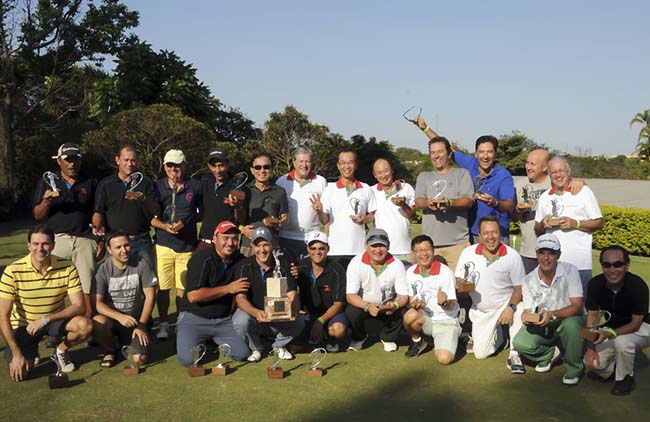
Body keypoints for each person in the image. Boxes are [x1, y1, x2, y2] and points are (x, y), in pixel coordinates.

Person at [0, 225, 92, 381]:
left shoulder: (67, 267)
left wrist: (45, 319)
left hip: (52, 322)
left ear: (53, 245)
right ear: (28, 245)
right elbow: (3, 316)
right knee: (21, 374)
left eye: (45, 243)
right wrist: (16, 354)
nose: (40, 248)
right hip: (24, 327)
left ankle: (61, 351)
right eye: (35, 244)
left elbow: (79, 306)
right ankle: (29, 352)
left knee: (85, 325)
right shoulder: (13, 271)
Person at [414, 117, 515, 244]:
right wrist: (425, 128)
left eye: (489, 152)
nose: (485, 156)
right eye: (481, 152)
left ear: (495, 154)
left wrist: (495, 203)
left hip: (496, 235)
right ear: (476, 154)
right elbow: (445, 149)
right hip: (473, 233)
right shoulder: (470, 164)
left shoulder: (503, 175)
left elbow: (510, 206)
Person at [33, 143, 101, 318]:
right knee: (54, 284)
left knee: (87, 284)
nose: (72, 164)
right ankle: (54, 326)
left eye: (76, 159)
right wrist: (46, 202)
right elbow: (38, 215)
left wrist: (100, 238)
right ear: (59, 161)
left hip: (84, 239)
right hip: (56, 239)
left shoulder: (90, 181)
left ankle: (88, 324)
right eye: (68, 160)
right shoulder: (48, 180)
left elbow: (97, 211)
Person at [176, 221, 251, 366]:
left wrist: (290, 269)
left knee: (242, 355)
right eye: (225, 238)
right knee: (188, 361)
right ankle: (185, 335)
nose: (230, 243)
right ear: (215, 238)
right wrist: (228, 288)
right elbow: (193, 296)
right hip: (195, 317)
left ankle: (210, 340)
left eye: (235, 238)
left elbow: (258, 267)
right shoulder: (201, 258)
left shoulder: (240, 259)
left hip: (223, 321)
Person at [512, 234, 585, 385]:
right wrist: (526, 317)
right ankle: (551, 353)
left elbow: (577, 306)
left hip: (568, 320)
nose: (546, 258)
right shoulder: (528, 280)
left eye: (551, 253)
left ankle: (573, 368)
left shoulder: (571, 271)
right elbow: (527, 310)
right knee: (519, 342)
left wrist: (552, 314)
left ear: (559, 254)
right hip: (544, 324)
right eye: (542, 252)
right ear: (536, 253)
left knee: (571, 325)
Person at [455, 215, 525, 363]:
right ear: (479, 236)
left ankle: (514, 352)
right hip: (482, 311)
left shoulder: (512, 256)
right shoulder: (468, 253)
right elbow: (459, 278)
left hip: (506, 306)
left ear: (500, 233)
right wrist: (462, 285)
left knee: (521, 308)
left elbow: (520, 288)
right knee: (480, 354)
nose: (491, 237)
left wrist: (511, 308)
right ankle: (502, 337)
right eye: (486, 233)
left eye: (494, 232)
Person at [584, 246, 650, 395]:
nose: (612, 270)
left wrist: (609, 333)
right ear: (602, 266)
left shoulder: (638, 286)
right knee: (592, 363)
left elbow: (635, 324)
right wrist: (589, 348)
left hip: (642, 327)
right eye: (607, 265)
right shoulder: (595, 284)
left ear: (627, 265)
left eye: (618, 264)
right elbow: (592, 317)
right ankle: (613, 370)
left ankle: (625, 379)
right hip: (611, 328)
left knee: (623, 342)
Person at [232, 227, 304, 362]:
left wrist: (293, 306)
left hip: (279, 316)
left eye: (265, 244)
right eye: (257, 245)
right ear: (252, 247)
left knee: (299, 320)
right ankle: (256, 348)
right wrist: (255, 312)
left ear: (272, 244)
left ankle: (279, 346)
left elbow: (292, 292)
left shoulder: (283, 264)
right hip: (255, 316)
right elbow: (240, 298)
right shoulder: (244, 266)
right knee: (240, 320)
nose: (262, 250)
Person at [151, 149, 201, 340]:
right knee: (163, 288)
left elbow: (201, 212)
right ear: (164, 166)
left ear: (185, 165)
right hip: (164, 244)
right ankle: (164, 323)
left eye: (178, 165)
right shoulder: (157, 187)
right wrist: (164, 226)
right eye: (170, 165)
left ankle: (181, 322)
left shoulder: (194, 186)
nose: (174, 169)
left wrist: (186, 222)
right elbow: (151, 218)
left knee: (182, 289)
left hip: (186, 245)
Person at [534, 156, 603, 291]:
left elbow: (599, 222)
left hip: (579, 264)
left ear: (568, 172)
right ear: (549, 175)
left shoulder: (583, 192)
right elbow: (537, 231)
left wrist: (575, 223)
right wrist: (543, 223)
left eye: (561, 171)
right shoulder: (545, 197)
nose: (558, 175)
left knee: (579, 308)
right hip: (552, 265)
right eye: (554, 172)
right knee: (553, 308)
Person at [92, 232, 158, 368]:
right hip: (113, 319)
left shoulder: (142, 264)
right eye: (118, 247)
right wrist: (120, 317)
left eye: (126, 245)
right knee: (98, 321)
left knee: (138, 359)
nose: (124, 250)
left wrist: (141, 325)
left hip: (136, 320)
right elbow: (97, 303)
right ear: (109, 249)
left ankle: (128, 344)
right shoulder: (102, 269)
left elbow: (150, 297)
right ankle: (110, 350)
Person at [515, 150, 585, 273]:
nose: (528, 167)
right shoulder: (519, 185)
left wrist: (580, 181)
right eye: (527, 163)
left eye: (533, 164)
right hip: (528, 251)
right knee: (529, 290)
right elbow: (513, 217)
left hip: (553, 251)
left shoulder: (555, 181)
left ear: (544, 167)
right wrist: (517, 211)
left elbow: (575, 185)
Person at [93, 144, 159, 270]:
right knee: (115, 282)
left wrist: (143, 200)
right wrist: (97, 226)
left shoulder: (146, 183)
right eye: (126, 160)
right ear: (117, 160)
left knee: (146, 283)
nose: (130, 164)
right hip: (115, 242)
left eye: (133, 160)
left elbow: (156, 210)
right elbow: (98, 212)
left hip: (141, 241)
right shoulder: (106, 184)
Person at [414, 136, 474, 271]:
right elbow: (418, 201)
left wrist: (450, 203)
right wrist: (427, 203)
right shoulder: (424, 176)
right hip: (430, 246)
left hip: (457, 244)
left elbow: (468, 201)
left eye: (440, 151)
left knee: (460, 288)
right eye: (433, 152)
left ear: (449, 154)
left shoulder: (462, 174)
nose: (436, 156)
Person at [345, 228, 409, 352]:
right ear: (366, 245)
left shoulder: (397, 264)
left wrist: (395, 305)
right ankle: (359, 337)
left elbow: (403, 295)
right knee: (351, 311)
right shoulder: (356, 263)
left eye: (382, 246)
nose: (378, 250)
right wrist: (368, 306)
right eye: (374, 245)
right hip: (364, 306)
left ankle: (388, 337)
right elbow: (350, 296)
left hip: (388, 308)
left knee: (403, 309)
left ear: (388, 246)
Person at [403, 235, 461, 364]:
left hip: (446, 320)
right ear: (413, 254)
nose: (423, 254)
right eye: (419, 250)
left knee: (444, 359)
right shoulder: (410, 272)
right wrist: (414, 305)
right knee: (410, 315)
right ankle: (418, 341)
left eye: (427, 249)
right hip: (426, 319)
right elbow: (411, 300)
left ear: (433, 250)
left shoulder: (445, 272)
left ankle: (457, 335)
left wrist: (444, 302)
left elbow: (451, 304)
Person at [315, 149, 377, 269]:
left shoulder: (365, 188)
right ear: (338, 166)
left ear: (356, 165)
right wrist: (319, 211)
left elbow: (371, 216)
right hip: (335, 250)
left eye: (350, 162)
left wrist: (364, 219)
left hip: (359, 250)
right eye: (343, 163)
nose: (346, 166)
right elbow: (324, 220)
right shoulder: (330, 189)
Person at [295, 231, 347, 352]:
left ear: (328, 249)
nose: (317, 252)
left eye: (321, 248)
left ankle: (328, 337)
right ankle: (316, 335)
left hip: (331, 314)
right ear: (308, 249)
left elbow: (338, 304)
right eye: (313, 248)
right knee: (294, 348)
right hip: (307, 314)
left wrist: (320, 321)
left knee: (338, 330)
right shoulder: (300, 268)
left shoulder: (337, 270)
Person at [276, 146, 328, 260]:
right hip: (286, 238)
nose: (304, 165)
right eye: (301, 161)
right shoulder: (282, 181)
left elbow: (326, 219)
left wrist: (320, 211)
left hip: (312, 239)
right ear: (294, 162)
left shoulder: (321, 181)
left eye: (308, 161)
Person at [196, 148, 246, 250]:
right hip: (205, 242)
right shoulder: (204, 183)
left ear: (227, 164)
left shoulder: (237, 187)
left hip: (227, 244)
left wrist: (237, 207)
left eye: (221, 165)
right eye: (214, 166)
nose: (217, 170)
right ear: (209, 166)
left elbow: (241, 220)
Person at [240, 153, 289, 256]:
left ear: (271, 169)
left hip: (272, 245)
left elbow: (285, 217)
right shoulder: (244, 190)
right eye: (258, 167)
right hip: (249, 245)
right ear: (252, 170)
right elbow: (236, 218)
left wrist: (278, 223)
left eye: (266, 167)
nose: (262, 171)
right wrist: (242, 229)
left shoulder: (280, 192)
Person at [371, 158, 416, 259]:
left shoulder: (406, 187)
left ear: (392, 170)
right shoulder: (371, 191)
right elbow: (369, 216)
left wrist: (403, 205)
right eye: (379, 173)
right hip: (381, 251)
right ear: (374, 175)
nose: (383, 175)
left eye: (386, 171)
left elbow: (413, 216)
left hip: (404, 250)